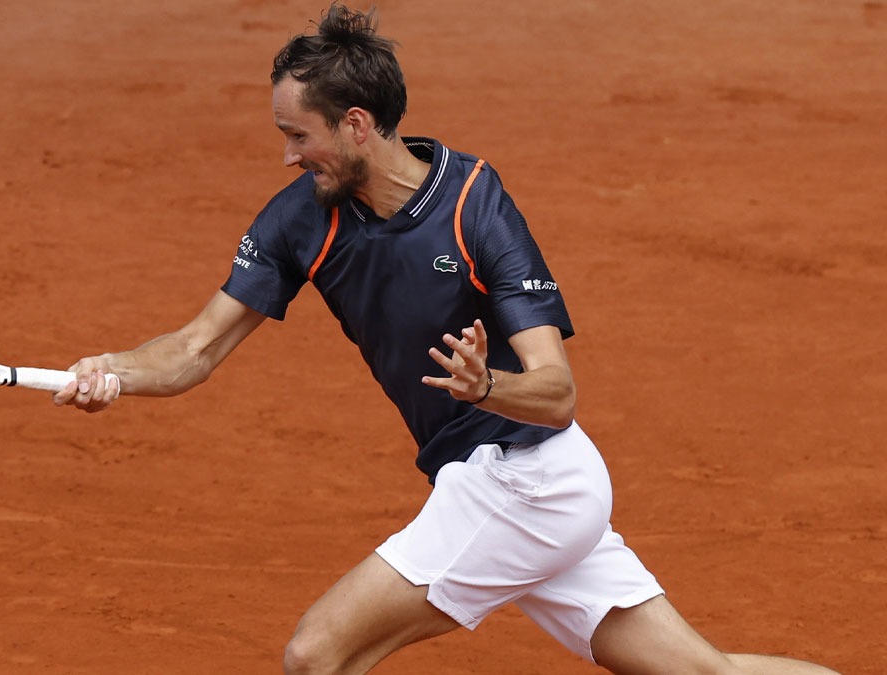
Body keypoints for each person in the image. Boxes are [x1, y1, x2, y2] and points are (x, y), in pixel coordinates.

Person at [54, 5, 839, 674]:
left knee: (317, 654)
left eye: (299, 135)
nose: (288, 154)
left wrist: (486, 385)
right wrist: (113, 370)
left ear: (356, 124)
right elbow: (196, 346)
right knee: (707, 670)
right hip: (510, 487)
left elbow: (558, 391)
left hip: (527, 480)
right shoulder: (300, 217)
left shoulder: (475, 207)